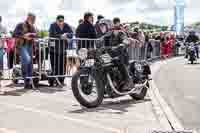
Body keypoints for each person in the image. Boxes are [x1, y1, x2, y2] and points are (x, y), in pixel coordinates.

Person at [99, 18, 136, 91]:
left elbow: (126, 40)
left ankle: (128, 81)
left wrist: (123, 44)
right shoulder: (103, 37)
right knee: (100, 64)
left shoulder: (119, 33)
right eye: (101, 27)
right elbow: (98, 47)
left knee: (117, 60)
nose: (102, 28)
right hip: (109, 57)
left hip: (121, 56)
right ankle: (106, 83)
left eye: (103, 26)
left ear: (109, 26)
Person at [13, 13, 37, 89]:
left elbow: (36, 35)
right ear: (28, 18)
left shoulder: (33, 26)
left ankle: (28, 81)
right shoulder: (20, 24)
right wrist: (24, 36)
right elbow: (14, 34)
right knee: (26, 60)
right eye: (32, 19)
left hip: (30, 46)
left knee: (30, 63)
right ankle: (25, 79)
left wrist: (32, 35)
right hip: (22, 46)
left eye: (34, 20)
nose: (33, 21)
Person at [49, 15, 73, 86]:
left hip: (63, 49)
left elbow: (71, 34)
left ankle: (61, 80)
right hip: (54, 50)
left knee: (63, 65)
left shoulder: (66, 25)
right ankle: (53, 80)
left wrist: (67, 34)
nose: (60, 23)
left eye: (62, 21)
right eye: (59, 21)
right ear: (56, 20)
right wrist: (60, 36)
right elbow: (52, 34)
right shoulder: (52, 25)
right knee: (55, 66)